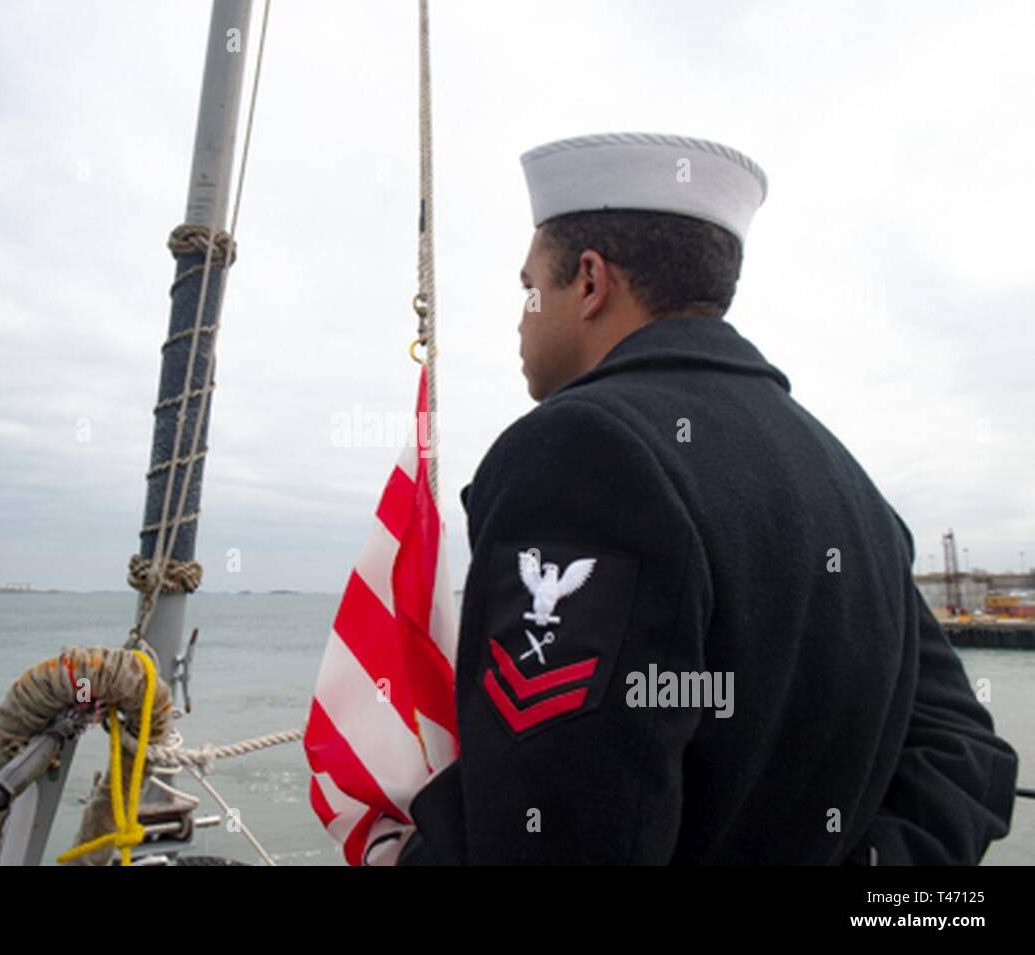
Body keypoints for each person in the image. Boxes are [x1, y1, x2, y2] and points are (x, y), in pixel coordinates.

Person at [395, 132, 1018, 864]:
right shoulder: (850, 484)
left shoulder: (579, 452)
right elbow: (961, 749)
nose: (521, 315)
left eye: (529, 285)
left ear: (591, 281)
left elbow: (555, 831)